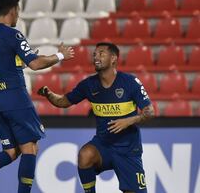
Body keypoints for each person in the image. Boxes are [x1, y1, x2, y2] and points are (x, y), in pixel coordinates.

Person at [0, 0, 74, 193]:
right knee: (30, 148)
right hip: (15, 98)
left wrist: (17, 65)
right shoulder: (13, 34)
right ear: (13, 10)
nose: (19, 15)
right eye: (18, 10)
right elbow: (36, 63)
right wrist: (60, 55)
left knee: (11, 151)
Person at [38, 42, 154, 193]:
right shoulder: (89, 85)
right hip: (103, 145)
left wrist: (129, 121)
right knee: (85, 155)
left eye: (101, 53)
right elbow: (64, 101)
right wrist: (49, 94)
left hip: (128, 149)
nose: (96, 57)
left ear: (113, 59)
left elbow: (149, 111)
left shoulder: (130, 82)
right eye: (94, 54)